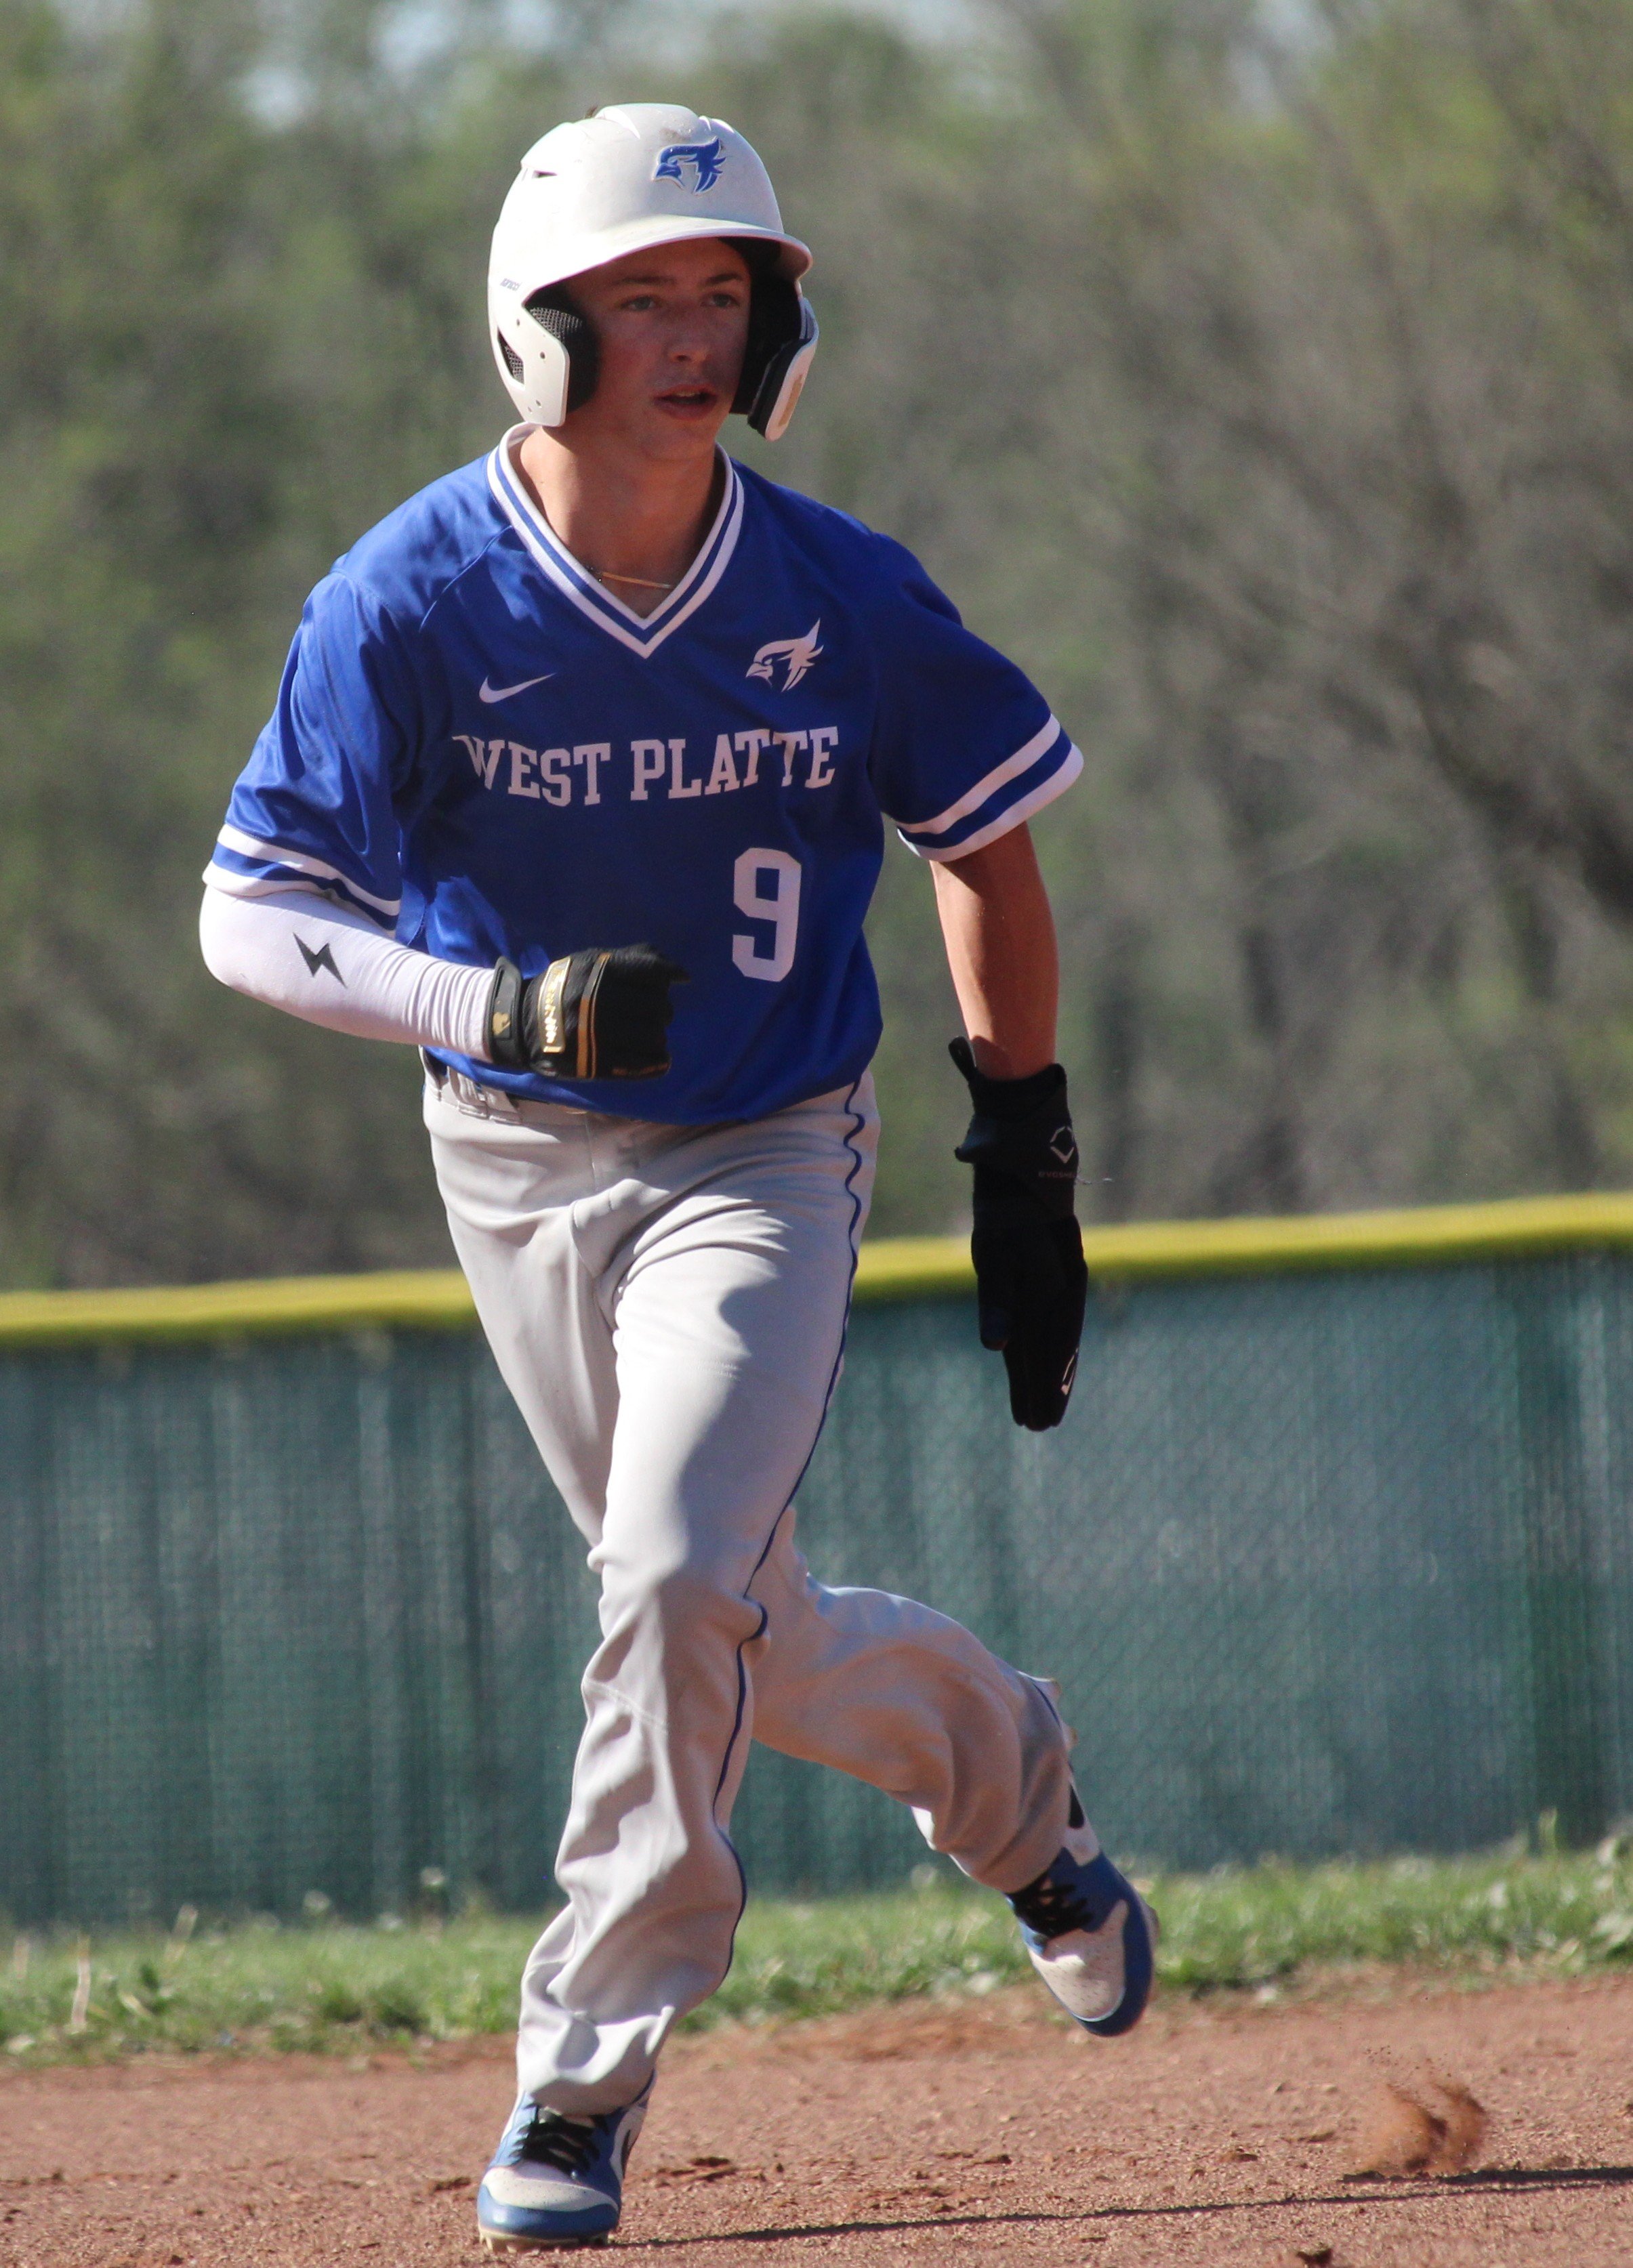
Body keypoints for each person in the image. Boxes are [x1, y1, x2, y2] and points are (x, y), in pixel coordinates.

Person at [199, 102, 1155, 2253]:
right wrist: (488, 1006)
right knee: (739, 1621)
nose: (691, 335)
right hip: (510, 1151)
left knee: (662, 1578)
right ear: (535, 329)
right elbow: (248, 916)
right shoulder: (410, 598)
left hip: (763, 1143)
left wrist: (1023, 1144)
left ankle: (582, 2069)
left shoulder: (838, 592)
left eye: (722, 292)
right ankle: (1016, 1789)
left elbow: (982, 842)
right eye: (638, 297)